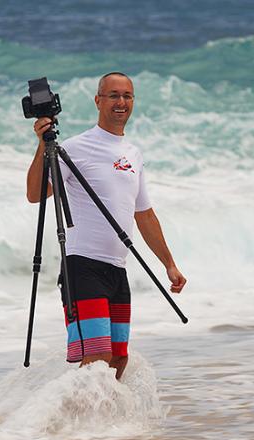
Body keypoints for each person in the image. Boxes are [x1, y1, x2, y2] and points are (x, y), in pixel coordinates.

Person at [26, 72, 186, 379]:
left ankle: (102, 428)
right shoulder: (76, 147)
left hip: (117, 269)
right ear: (98, 101)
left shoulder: (133, 154)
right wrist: (41, 145)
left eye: (127, 96)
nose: (121, 102)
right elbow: (35, 194)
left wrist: (169, 264)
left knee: (118, 360)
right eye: (113, 95)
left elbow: (145, 215)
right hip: (82, 267)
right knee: (97, 357)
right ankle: (70, 424)